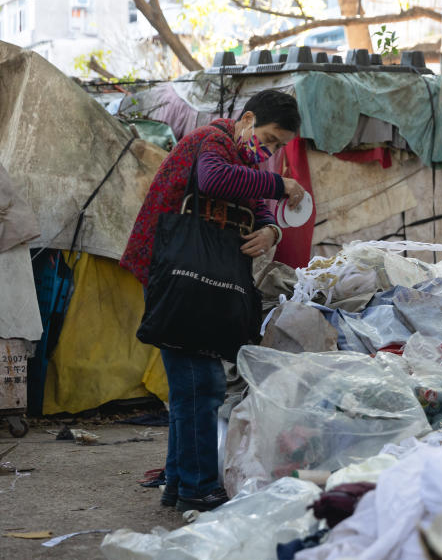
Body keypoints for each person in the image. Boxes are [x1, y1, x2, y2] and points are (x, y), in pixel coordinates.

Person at [120, 90, 307, 512]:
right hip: (174, 274)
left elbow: (253, 202)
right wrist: (281, 183)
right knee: (200, 384)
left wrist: (271, 231)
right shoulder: (215, 141)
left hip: (191, 277)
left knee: (192, 385)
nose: (271, 151)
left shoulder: (241, 157)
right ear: (248, 120)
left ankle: (180, 484)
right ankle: (199, 486)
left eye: (278, 148)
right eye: (271, 139)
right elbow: (213, 180)